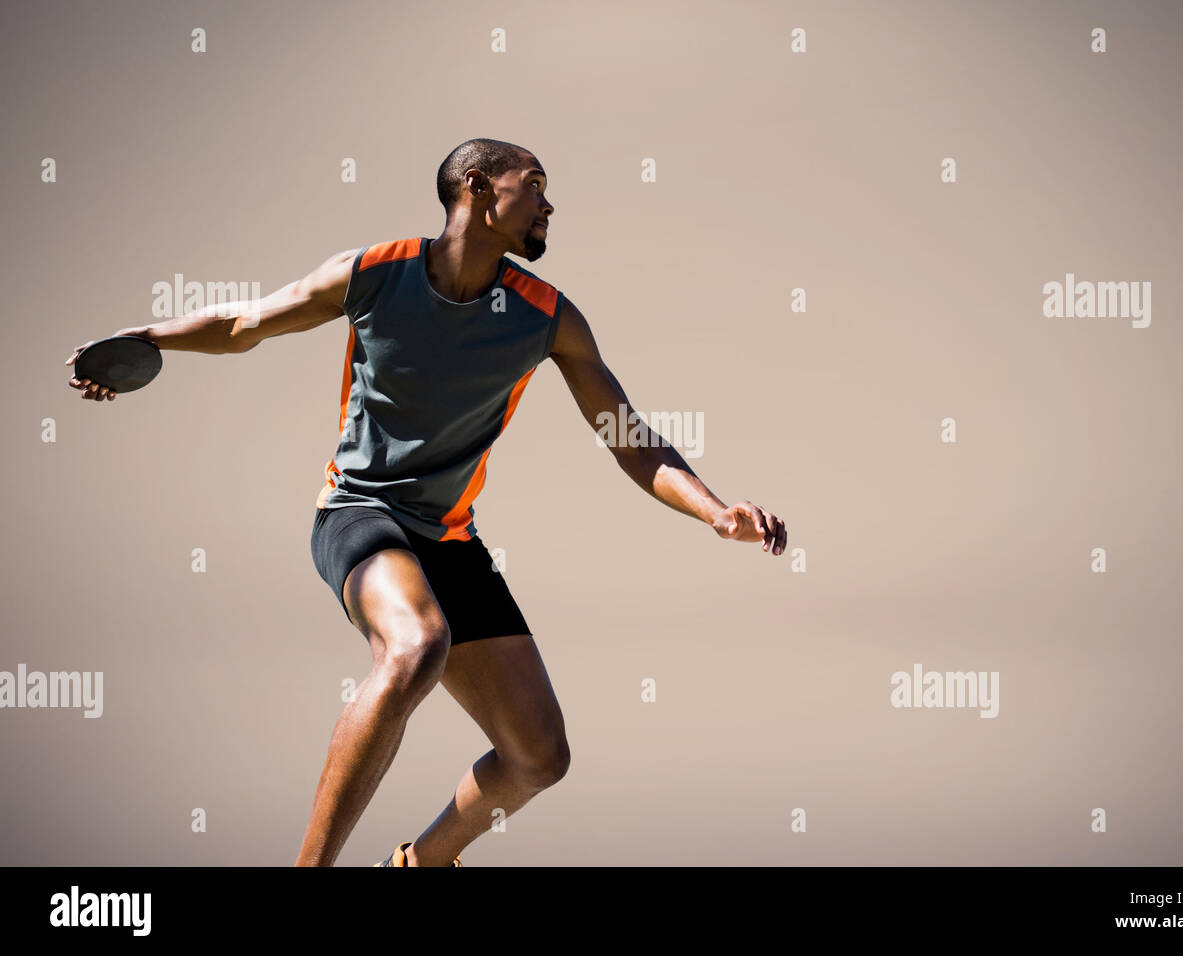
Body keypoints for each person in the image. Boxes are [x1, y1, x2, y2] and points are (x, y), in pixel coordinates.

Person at [65, 138, 788, 867]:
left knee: (538, 754)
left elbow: (627, 436)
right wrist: (143, 337)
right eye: (533, 185)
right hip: (358, 513)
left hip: (449, 540)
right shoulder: (375, 273)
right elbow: (247, 323)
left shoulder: (545, 316)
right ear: (476, 187)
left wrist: (715, 510)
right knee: (416, 646)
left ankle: (419, 864)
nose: (549, 203)